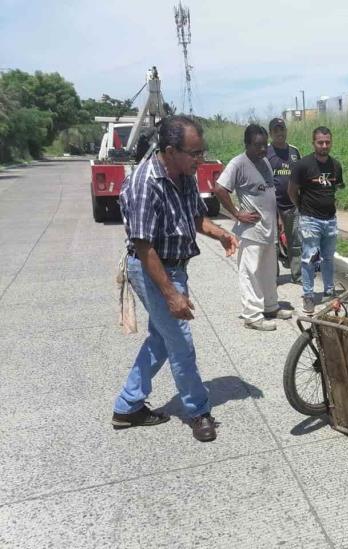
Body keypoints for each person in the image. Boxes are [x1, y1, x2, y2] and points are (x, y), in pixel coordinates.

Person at [113, 115, 238, 442]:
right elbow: (144, 246)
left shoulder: (183, 174)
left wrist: (220, 233)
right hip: (153, 269)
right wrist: (171, 294)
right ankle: (198, 411)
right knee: (180, 342)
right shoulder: (145, 183)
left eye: (202, 152)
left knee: (161, 340)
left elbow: (196, 218)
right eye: (194, 154)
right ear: (170, 150)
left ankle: (127, 406)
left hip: (174, 267)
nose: (200, 160)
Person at [214, 124, 293, 331]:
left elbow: (269, 193)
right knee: (250, 272)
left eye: (264, 145)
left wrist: (277, 218)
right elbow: (219, 188)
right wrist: (236, 213)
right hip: (251, 230)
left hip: (269, 228)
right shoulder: (238, 163)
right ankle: (252, 315)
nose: (262, 149)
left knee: (268, 271)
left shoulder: (265, 161)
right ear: (247, 144)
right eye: (257, 145)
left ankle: (270, 306)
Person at [288, 126, 344, 314]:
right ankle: (309, 295)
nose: (324, 145)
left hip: (330, 220)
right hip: (310, 219)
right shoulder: (302, 165)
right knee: (309, 258)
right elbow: (292, 191)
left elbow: (335, 189)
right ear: (314, 143)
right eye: (320, 142)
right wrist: (302, 208)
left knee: (328, 258)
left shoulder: (336, 165)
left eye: (327, 142)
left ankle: (329, 291)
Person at [266, 117, 302, 283]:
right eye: (276, 130)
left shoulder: (294, 151)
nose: (280, 133)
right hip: (273, 207)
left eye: (282, 129)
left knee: (296, 242)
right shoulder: (266, 152)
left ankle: (298, 275)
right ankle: (273, 276)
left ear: (286, 130)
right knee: (273, 245)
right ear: (271, 133)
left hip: (293, 206)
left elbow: (302, 176)